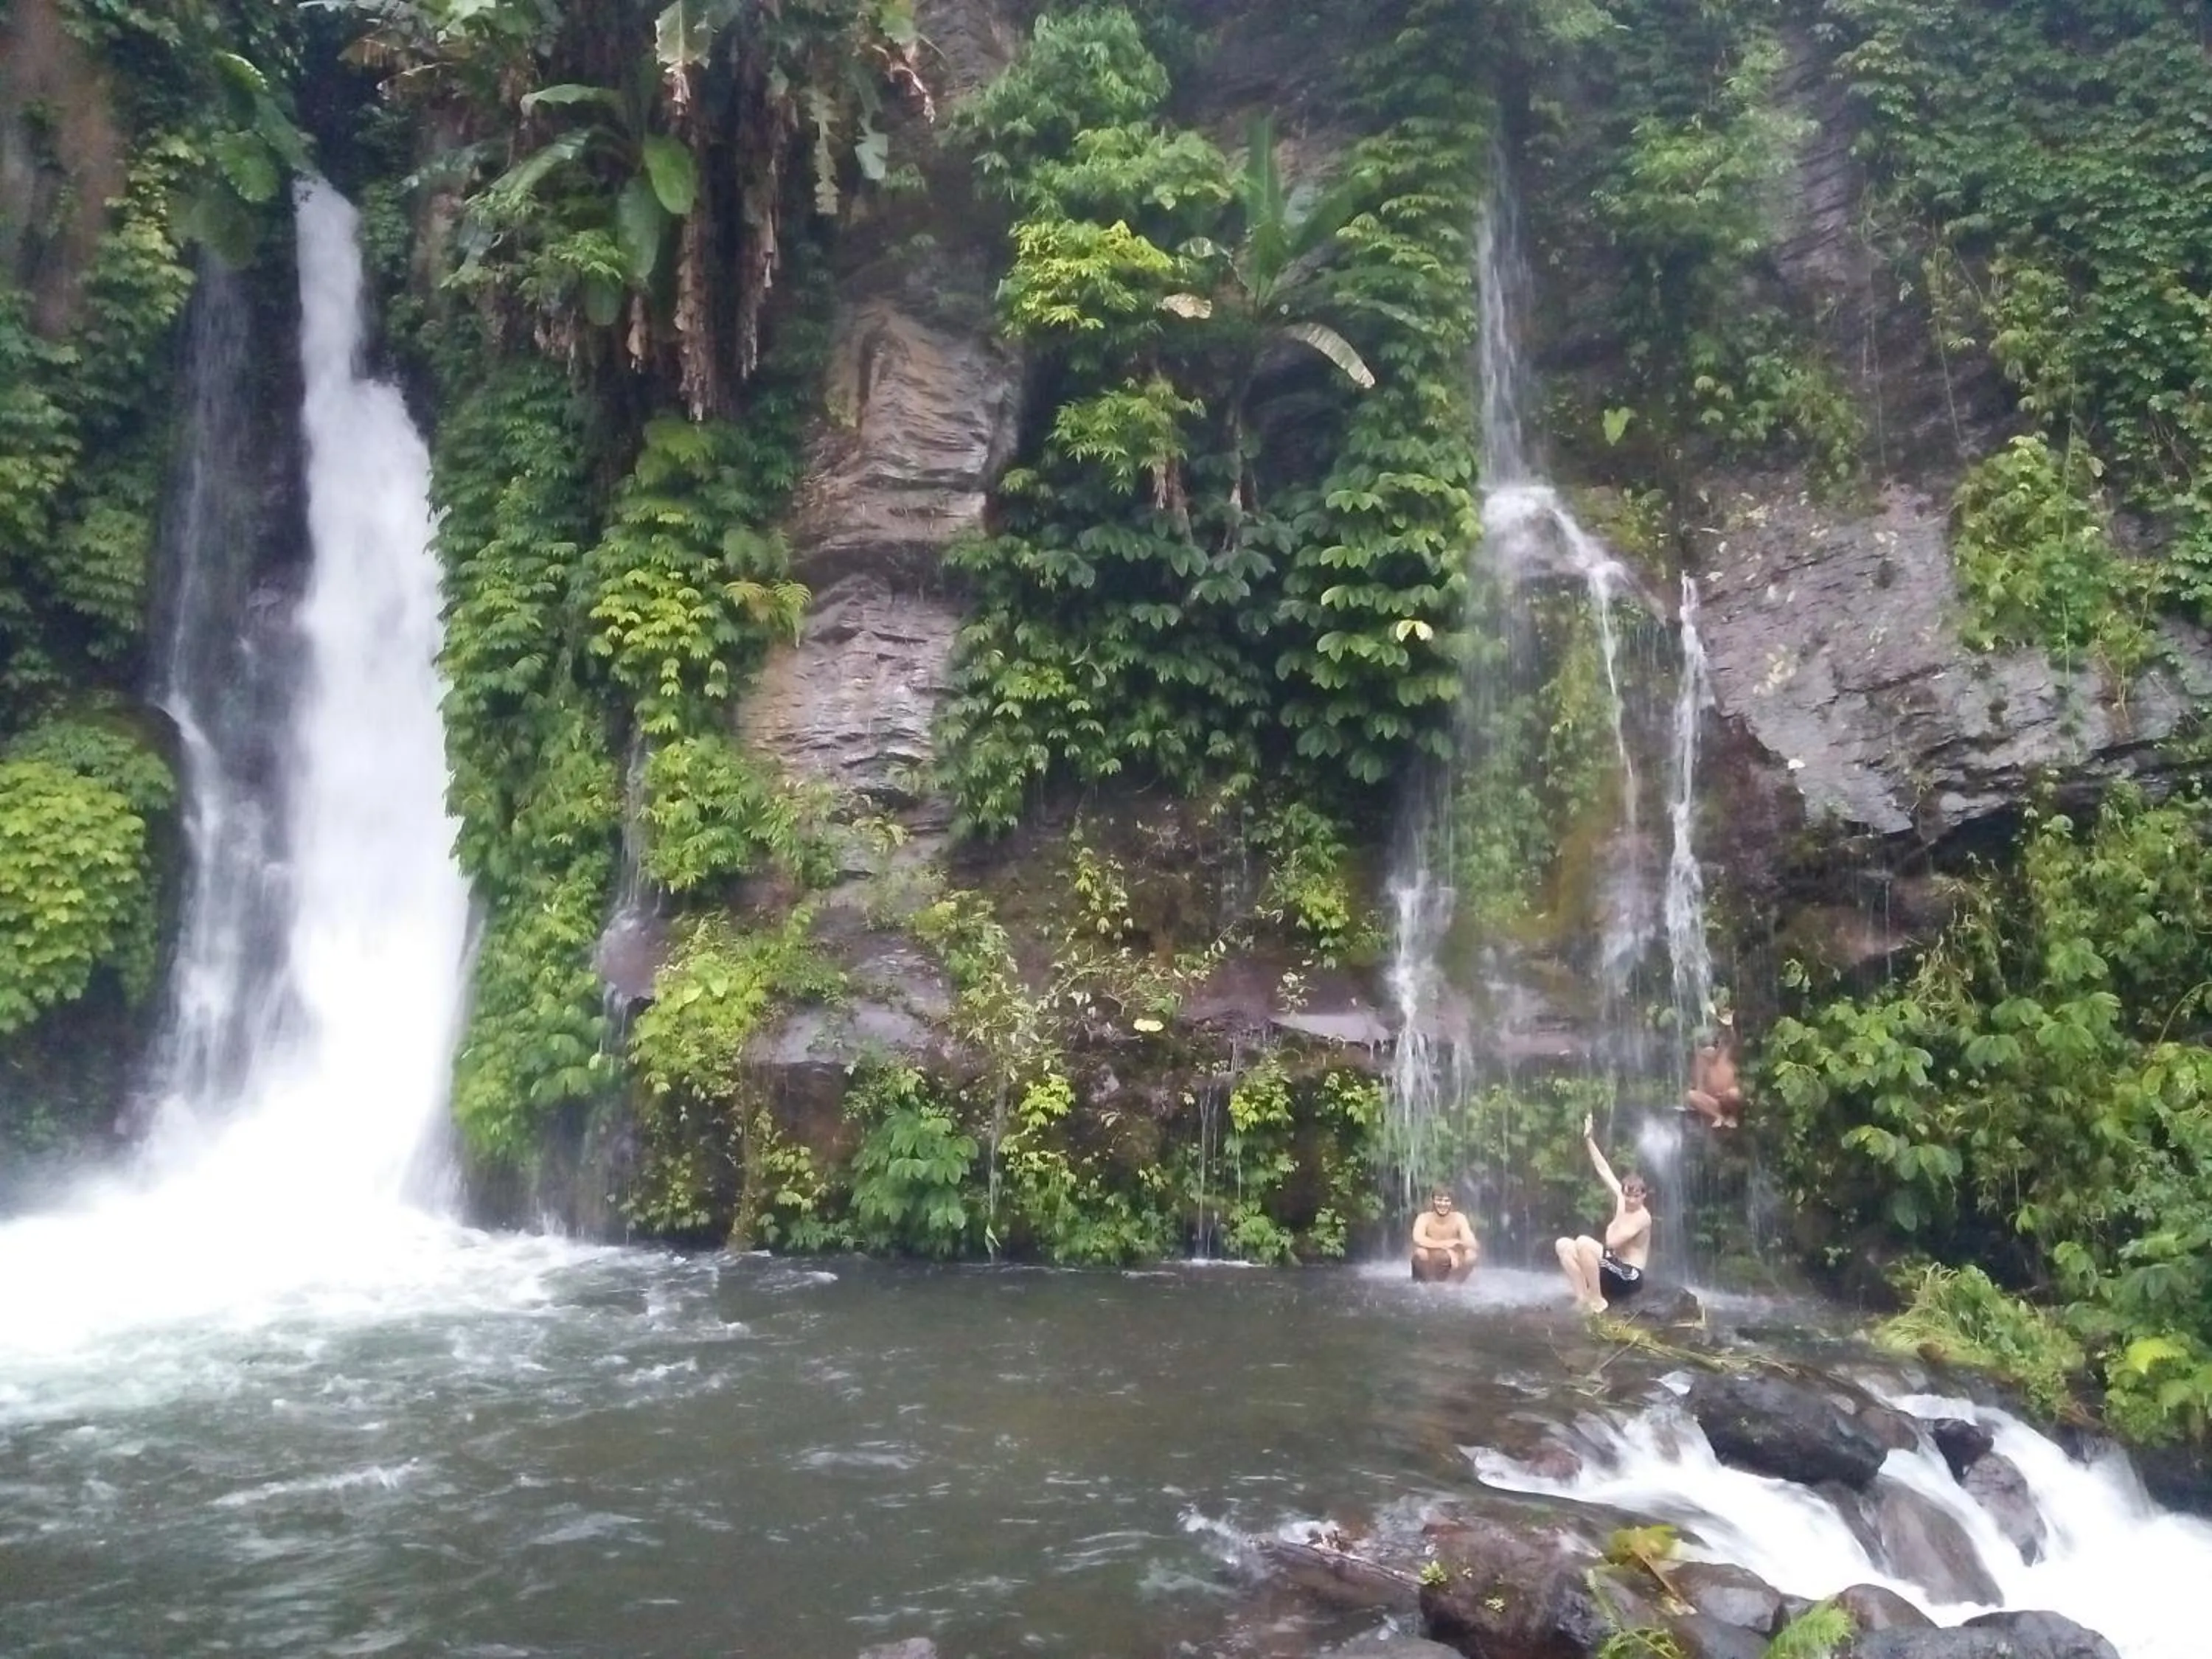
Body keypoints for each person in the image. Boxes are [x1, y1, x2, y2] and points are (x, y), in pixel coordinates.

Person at [1554, 1114, 1651, 1313]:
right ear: (1623, 1192)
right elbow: (1604, 1169)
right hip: (1613, 1270)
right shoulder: (1622, 1200)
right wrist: (1589, 1139)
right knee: (1563, 1245)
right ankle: (1583, 1298)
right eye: (1627, 1195)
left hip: (1630, 1277)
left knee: (1583, 1242)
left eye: (1636, 1196)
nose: (1630, 1200)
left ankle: (1597, 1299)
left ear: (1643, 1196)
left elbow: (1612, 1242)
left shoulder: (1642, 1217)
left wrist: (1614, 1221)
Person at [1684, 1012, 1745, 1130]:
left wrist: (1727, 1025)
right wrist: (1706, 1098)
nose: (1710, 1052)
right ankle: (1719, 1116)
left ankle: (1732, 1116)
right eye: (1706, 1049)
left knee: (1734, 1094)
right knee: (1691, 1095)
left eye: (1713, 1047)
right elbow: (1699, 1088)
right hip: (1713, 1102)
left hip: (1728, 1098)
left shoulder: (1726, 1053)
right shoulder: (1700, 1060)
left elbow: (1732, 1039)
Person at [1409, 1187, 1480, 1283]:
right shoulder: (1424, 1218)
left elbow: (1471, 1242)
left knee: (1471, 1255)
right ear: (1433, 1201)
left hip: (1451, 1262)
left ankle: (1455, 1284)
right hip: (1430, 1262)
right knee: (1420, 1252)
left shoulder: (1459, 1218)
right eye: (1439, 1200)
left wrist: (1457, 1245)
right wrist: (1446, 1246)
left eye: (1447, 1201)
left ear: (1451, 1203)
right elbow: (1418, 1239)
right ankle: (1427, 1284)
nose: (1443, 1204)